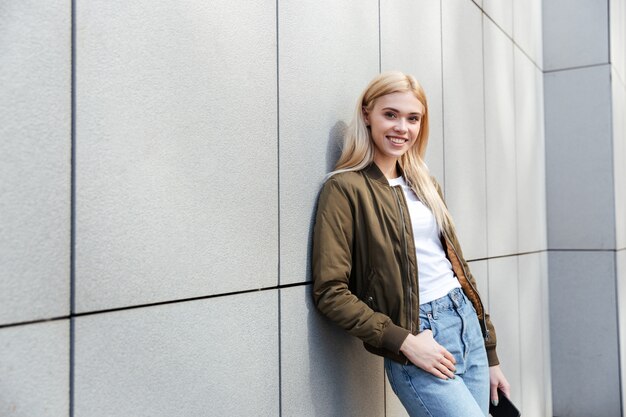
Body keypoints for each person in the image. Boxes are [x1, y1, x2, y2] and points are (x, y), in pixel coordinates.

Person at [311, 71, 510, 416]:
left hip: (465, 325)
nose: (402, 127)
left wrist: (489, 353)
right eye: (391, 114)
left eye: (412, 118)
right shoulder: (345, 189)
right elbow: (330, 291)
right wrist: (403, 342)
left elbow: (459, 270)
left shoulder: (424, 183)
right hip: (418, 337)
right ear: (367, 115)